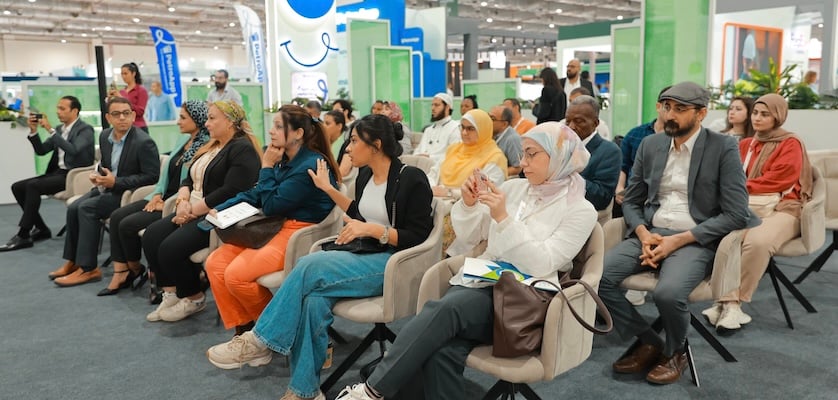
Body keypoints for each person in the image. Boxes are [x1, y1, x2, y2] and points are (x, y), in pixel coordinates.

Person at [334, 121, 597, 400]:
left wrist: (503, 219)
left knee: (446, 309)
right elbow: (471, 237)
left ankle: (372, 391)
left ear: (559, 157)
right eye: (523, 153)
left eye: (532, 154)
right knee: (442, 350)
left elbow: (544, 263)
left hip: (525, 300)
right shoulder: (515, 188)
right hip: (484, 281)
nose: (522, 162)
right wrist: (469, 205)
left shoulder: (580, 210)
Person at [206, 114, 434, 400]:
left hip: (393, 263)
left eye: (353, 141)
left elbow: (419, 235)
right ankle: (304, 391)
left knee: (309, 265)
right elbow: (358, 213)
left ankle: (261, 339)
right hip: (365, 252)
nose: (348, 149)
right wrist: (328, 189)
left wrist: (376, 231)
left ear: (375, 145)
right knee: (314, 301)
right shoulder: (365, 175)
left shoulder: (411, 177)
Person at [599, 82, 753, 385]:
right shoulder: (651, 145)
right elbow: (631, 200)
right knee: (596, 280)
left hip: (695, 237)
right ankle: (649, 342)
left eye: (680, 109)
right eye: (666, 107)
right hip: (651, 232)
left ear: (701, 113)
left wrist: (678, 240)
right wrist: (643, 234)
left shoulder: (723, 147)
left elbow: (737, 213)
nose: (670, 114)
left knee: (667, 294)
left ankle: (676, 351)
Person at [204, 105, 340, 336]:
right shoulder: (284, 158)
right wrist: (219, 209)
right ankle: (248, 329)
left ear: (298, 133)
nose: (271, 131)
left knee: (235, 275)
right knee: (215, 264)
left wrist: (265, 166)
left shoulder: (308, 165)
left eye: (279, 127)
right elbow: (256, 194)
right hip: (277, 225)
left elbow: (271, 205)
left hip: (302, 232)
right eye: (273, 126)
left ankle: (276, 329)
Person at [702, 93, 813, 333]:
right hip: (750, 205)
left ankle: (733, 302)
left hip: (786, 208)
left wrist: (739, 187)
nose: (757, 118)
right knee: (730, 237)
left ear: (778, 116)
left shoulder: (790, 142)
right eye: (755, 113)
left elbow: (780, 179)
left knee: (758, 241)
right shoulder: (745, 144)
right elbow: (727, 174)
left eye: (765, 114)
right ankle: (726, 302)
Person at [143, 100, 261, 322]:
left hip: (217, 215)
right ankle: (170, 292)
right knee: (151, 236)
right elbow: (188, 176)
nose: (206, 123)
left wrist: (193, 210)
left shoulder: (242, 148)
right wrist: (183, 199)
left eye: (212, 118)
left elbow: (230, 191)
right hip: (192, 207)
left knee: (169, 248)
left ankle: (194, 297)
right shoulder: (213, 145)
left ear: (230, 122)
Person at [97, 100, 210, 296]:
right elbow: (164, 174)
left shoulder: (206, 146)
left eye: (183, 117)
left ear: (197, 120)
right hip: (161, 196)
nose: (177, 122)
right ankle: (127, 270)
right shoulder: (183, 140)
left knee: (127, 225)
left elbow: (193, 185)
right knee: (116, 216)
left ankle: (137, 271)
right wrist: (157, 194)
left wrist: (165, 202)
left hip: (178, 202)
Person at [50, 97, 160, 287]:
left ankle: (88, 268)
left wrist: (116, 182)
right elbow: (106, 165)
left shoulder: (144, 142)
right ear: (108, 117)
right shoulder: (105, 137)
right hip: (106, 187)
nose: (122, 118)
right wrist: (98, 175)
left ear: (133, 115)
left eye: (126, 113)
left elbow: (152, 177)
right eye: (116, 114)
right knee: (74, 207)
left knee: (86, 208)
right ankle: (73, 261)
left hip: (127, 194)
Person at [0, 96, 95, 252]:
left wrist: (50, 131)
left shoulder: (85, 130)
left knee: (33, 186)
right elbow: (42, 151)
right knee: (17, 187)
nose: (58, 112)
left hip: (74, 176)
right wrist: (34, 132)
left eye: (62, 109)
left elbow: (74, 150)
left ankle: (23, 234)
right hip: (58, 173)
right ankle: (42, 228)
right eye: (58, 108)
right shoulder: (59, 130)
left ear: (75, 111)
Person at [427, 109, 507, 199]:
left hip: (471, 207)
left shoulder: (495, 157)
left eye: (470, 128)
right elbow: (433, 175)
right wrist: (431, 188)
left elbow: (487, 191)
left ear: (483, 129)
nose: (464, 133)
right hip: (437, 199)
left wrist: (450, 193)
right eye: (462, 127)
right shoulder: (453, 149)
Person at [565, 95, 621, 211]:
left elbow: (602, 197)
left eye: (578, 121)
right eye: (567, 121)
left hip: (583, 214)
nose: (571, 127)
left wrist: (566, 177)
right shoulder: (561, 145)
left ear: (595, 123)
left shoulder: (609, 151)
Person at [413, 92, 460, 164]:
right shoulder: (428, 130)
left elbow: (454, 155)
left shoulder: (455, 128)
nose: (432, 108)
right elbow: (418, 151)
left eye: (436, 105)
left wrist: (429, 157)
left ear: (447, 107)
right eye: (432, 105)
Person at [108, 62, 148, 133]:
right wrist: (109, 99)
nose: (123, 76)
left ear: (133, 74)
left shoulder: (141, 90)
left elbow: (140, 111)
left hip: (138, 127)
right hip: (123, 128)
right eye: (122, 74)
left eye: (126, 74)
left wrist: (122, 98)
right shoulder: (122, 91)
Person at [488, 105, 523, 176]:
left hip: (506, 181)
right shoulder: (491, 134)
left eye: (492, 119)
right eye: (487, 117)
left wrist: (493, 174)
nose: (488, 121)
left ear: (504, 124)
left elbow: (518, 168)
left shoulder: (512, 139)